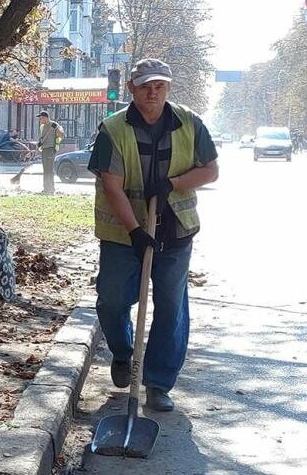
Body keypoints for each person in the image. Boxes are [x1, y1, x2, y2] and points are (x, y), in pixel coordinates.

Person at [87, 58, 218, 413]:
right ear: (132, 88)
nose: (152, 92)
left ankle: (159, 382)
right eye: (145, 85)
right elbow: (111, 186)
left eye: (159, 86)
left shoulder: (190, 123)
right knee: (112, 300)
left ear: (168, 88)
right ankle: (122, 352)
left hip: (175, 231)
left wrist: (173, 184)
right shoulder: (113, 129)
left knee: (171, 306)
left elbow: (210, 171)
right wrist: (135, 230)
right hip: (122, 234)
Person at [37, 111, 64, 193]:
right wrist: (39, 143)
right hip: (44, 149)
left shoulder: (54, 125)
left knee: (49, 169)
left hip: (51, 149)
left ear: (45, 118)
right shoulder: (42, 126)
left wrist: (57, 129)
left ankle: (51, 188)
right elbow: (42, 137)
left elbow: (61, 135)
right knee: (45, 169)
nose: (40, 120)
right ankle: (46, 188)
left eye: (41, 118)